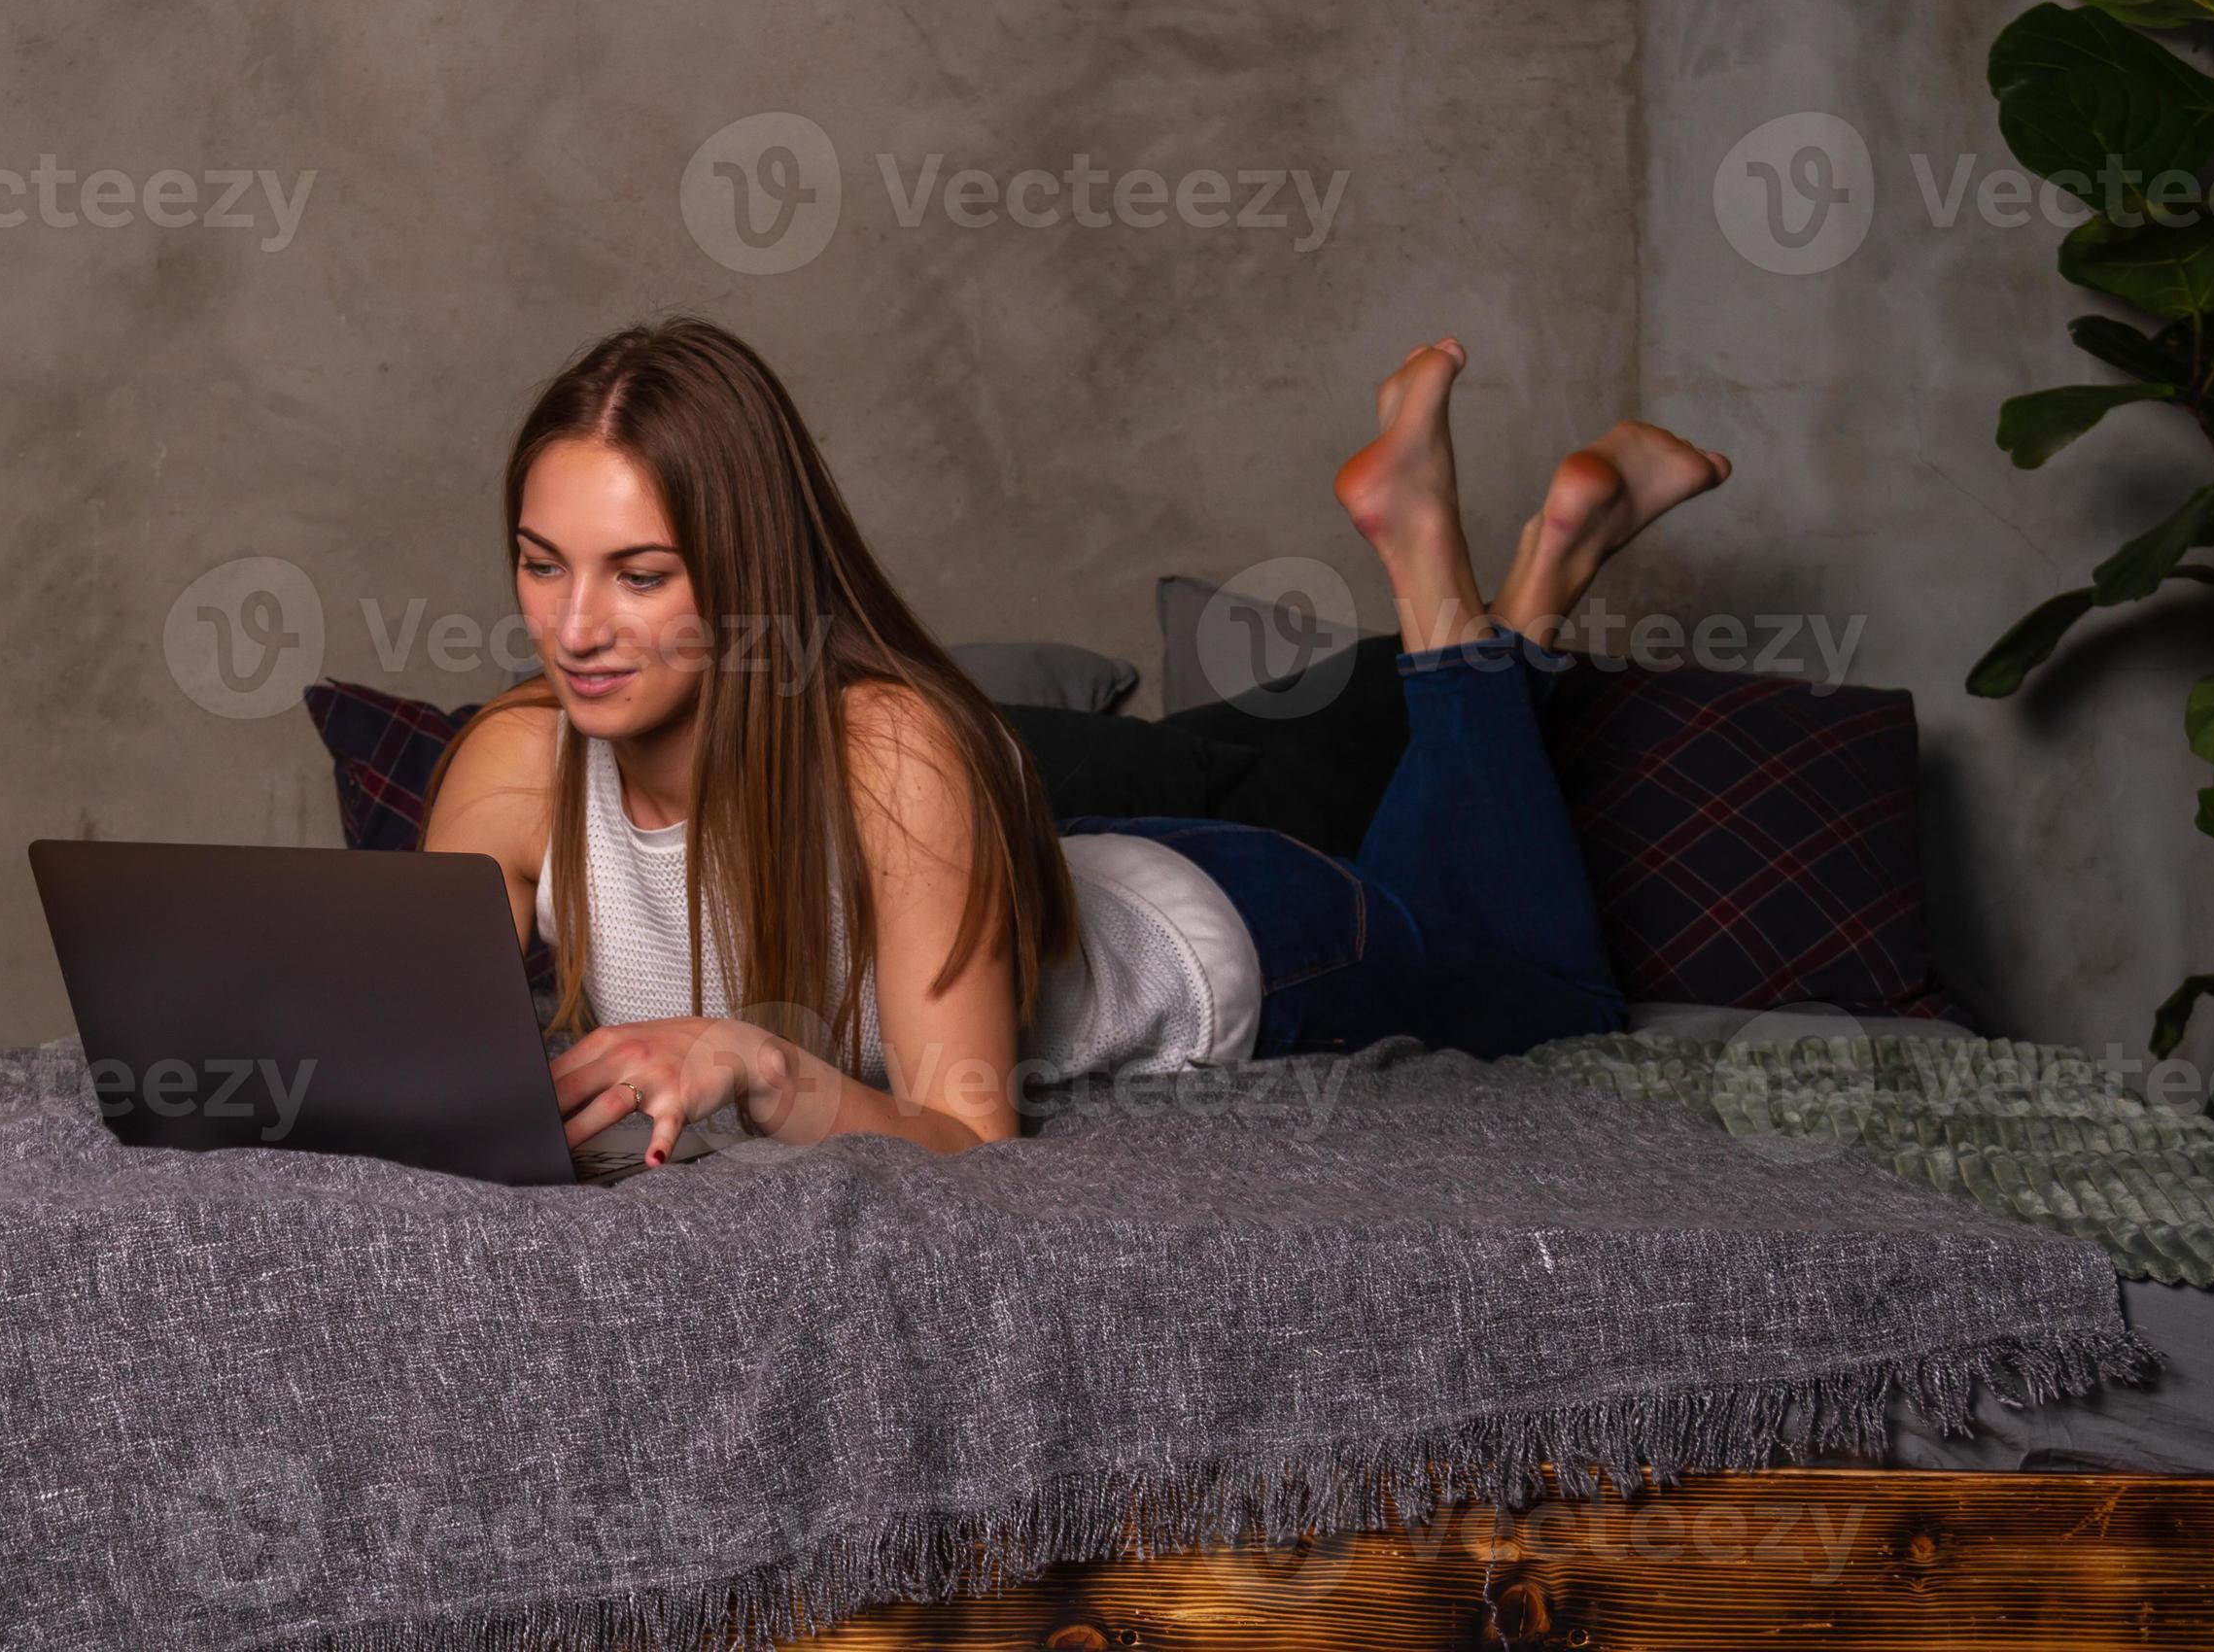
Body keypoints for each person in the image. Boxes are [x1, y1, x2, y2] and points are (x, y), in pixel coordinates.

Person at [419, 319, 1731, 1169]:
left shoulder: (890, 752)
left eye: (639, 575)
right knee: (1460, 883)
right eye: (542, 566)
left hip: (1228, 938)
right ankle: (1553, 566)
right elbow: (419, 1042)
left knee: (1554, 996)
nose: (573, 626)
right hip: (1023, 888)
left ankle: (1439, 578)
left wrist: (760, 1064)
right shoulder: (516, 756)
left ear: (751, 572)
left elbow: (970, 1135)